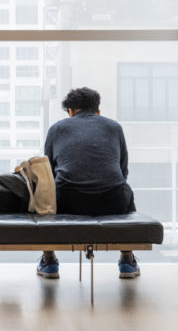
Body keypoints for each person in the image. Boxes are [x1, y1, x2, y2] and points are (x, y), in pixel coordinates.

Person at [36, 86, 140, 281]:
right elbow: (123, 169)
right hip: (112, 201)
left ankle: (49, 261)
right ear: (98, 111)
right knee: (124, 189)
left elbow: (47, 174)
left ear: (71, 112)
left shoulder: (57, 128)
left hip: (69, 200)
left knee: (45, 195)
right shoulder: (114, 127)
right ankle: (127, 259)